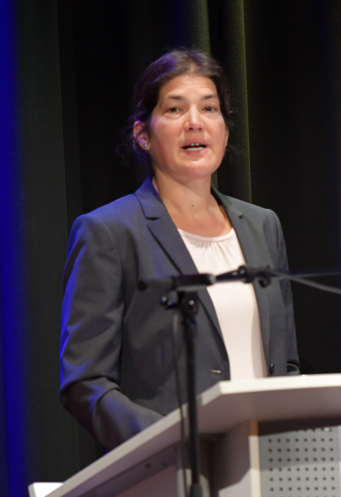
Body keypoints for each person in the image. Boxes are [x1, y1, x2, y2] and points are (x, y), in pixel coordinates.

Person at [60, 49, 300, 450]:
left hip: (268, 462)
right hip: (170, 468)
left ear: (224, 130)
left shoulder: (263, 226)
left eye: (209, 108)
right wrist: (170, 444)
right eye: (174, 109)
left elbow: (285, 363)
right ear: (142, 134)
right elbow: (85, 382)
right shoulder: (110, 232)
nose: (195, 122)